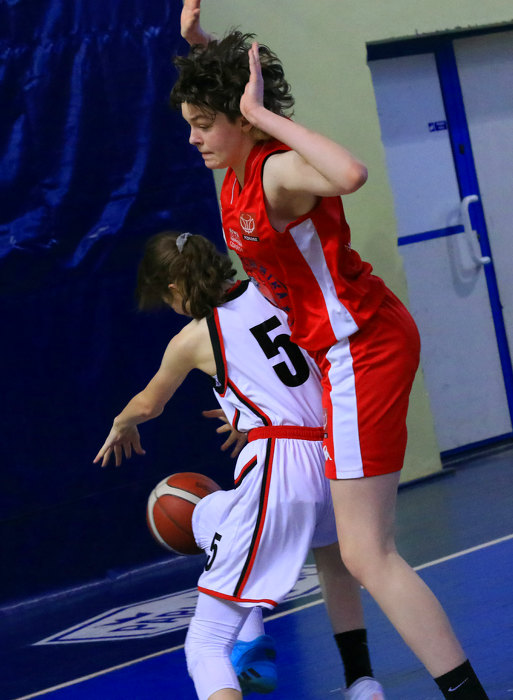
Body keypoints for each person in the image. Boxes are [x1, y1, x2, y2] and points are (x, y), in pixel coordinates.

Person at [169, 3, 489, 699]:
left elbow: (350, 173)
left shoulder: (279, 171)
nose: (193, 138)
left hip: (362, 347)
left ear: (243, 120)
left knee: (366, 552)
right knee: (340, 541)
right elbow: (236, 90)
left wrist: (261, 113)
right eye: (189, 123)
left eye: (203, 123)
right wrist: (201, 46)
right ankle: (362, 678)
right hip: (334, 351)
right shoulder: (237, 174)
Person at [94, 231, 385, 700]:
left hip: (283, 465)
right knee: (336, 566)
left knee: (206, 634)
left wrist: (121, 423)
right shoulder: (272, 292)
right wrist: (251, 415)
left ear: (174, 289)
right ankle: (362, 682)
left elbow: (149, 403)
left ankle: (250, 641)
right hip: (334, 449)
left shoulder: (193, 337)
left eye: (165, 299)